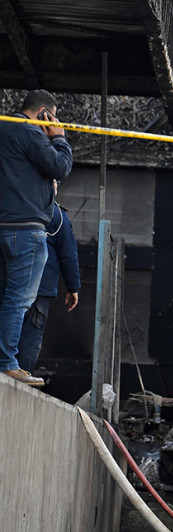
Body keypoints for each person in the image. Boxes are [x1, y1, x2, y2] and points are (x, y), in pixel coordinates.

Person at [0, 89, 73, 387]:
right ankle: (6, 363)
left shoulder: (5, 129)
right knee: (19, 300)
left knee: (6, 295)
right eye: (53, 117)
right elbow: (60, 167)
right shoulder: (30, 132)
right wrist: (58, 138)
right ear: (44, 114)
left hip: (4, 223)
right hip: (25, 229)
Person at [17, 187, 79, 373]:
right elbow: (68, 254)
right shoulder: (58, 215)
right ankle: (21, 379)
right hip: (40, 289)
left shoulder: (15, 207)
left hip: (12, 283)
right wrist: (73, 287)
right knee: (31, 334)